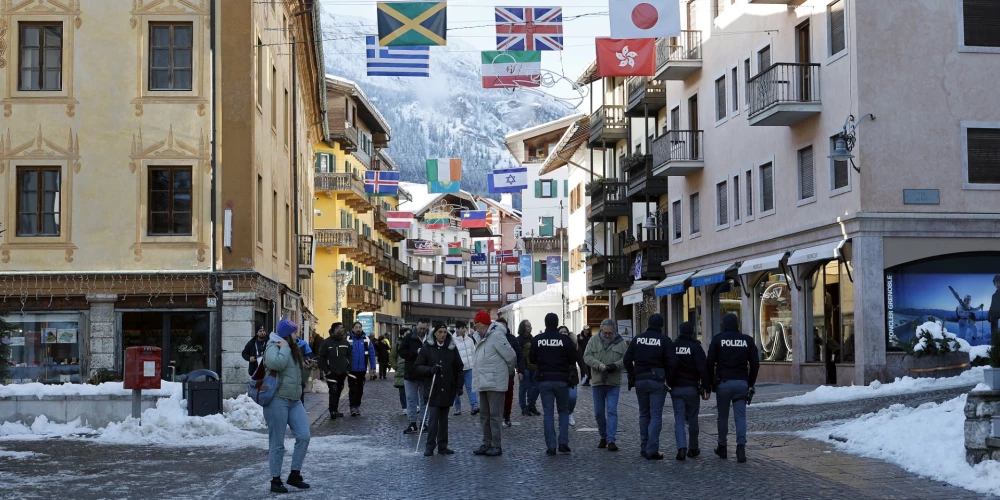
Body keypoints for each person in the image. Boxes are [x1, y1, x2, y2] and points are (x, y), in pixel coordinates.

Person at [262, 319, 310, 493]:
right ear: (287, 334)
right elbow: (277, 364)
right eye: (295, 332)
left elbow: (300, 379)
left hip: (294, 400)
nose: (297, 336)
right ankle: (275, 479)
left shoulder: (294, 349)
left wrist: (307, 369)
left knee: (304, 436)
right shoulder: (273, 347)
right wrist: (284, 347)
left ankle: (294, 474)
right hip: (277, 399)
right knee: (277, 442)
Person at [707, 313, 760, 463]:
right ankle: (741, 447)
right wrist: (750, 382)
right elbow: (755, 364)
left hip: (723, 383)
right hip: (741, 383)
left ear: (724, 324)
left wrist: (711, 383)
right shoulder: (747, 340)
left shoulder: (718, 340)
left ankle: (722, 446)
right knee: (740, 417)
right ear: (737, 323)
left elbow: (709, 363)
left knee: (722, 417)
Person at [624, 313, 677, 461]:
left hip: (640, 379)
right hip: (657, 380)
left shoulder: (638, 339)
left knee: (643, 413)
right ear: (661, 325)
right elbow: (672, 362)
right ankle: (652, 449)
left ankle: (644, 447)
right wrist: (669, 379)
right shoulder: (664, 340)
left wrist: (632, 374)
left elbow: (627, 359)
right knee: (655, 415)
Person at [530, 313, 577, 455]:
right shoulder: (564, 340)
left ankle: (551, 446)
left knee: (548, 413)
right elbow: (572, 359)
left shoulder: (538, 340)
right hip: (562, 380)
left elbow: (531, 359)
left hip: (544, 380)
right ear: (557, 323)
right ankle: (563, 443)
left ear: (545, 323)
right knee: (563, 411)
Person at [470, 310, 516, 457]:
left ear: (482, 323)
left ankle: (496, 445)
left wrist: (506, 373)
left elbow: (511, 356)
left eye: (476, 323)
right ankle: (487, 443)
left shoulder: (496, 336)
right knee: (484, 415)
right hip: (483, 382)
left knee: (495, 416)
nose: (474, 325)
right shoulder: (479, 337)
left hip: (495, 382)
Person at [414, 324, 465, 456]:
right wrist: (430, 370)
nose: (443, 334)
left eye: (445, 332)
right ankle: (430, 446)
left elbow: (459, 368)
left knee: (444, 419)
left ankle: (443, 446)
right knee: (433, 418)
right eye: (440, 332)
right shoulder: (427, 348)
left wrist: (459, 386)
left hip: (448, 388)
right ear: (434, 333)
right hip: (432, 388)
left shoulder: (451, 348)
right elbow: (417, 367)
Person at [584, 318, 628, 451]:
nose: (607, 335)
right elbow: (587, 356)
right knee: (598, 413)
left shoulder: (621, 343)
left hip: (613, 382)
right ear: (601, 330)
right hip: (597, 381)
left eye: (610, 333)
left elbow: (625, 359)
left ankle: (611, 440)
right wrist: (598, 365)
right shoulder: (593, 340)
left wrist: (615, 366)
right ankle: (603, 436)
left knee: (612, 411)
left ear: (614, 331)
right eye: (605, 333)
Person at [671, 321, 711, 461]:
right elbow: (703, 369)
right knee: (693, 418)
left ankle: (681, 448)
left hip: (676, 388)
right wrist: (707, 387)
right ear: (692, 332)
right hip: (692, 388)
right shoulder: (695, 347)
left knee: (679, 419)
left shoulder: (673, 346)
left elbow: (668, 366)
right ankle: (693, 448)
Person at [400, 322, 429, 434]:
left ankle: (423, 423)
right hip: (410, 374)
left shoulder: (430, 339)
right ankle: (412, 423)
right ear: (416, 327)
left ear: (427, 328)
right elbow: (402, 352)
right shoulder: (408, 338)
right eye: (420, 328)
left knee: (424, 400)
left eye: (424, 328)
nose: (422, 330)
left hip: (425, 374)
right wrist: (415, 353)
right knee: (411, 399)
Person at [317, 322, 350, 420]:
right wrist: (326, 371)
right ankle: (332, 411)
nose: (342, 329)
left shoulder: (345, 342)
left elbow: (350, 356)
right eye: (341, 328)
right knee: (333, 391)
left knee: (339, 390)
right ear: (335, 329)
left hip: (342, 372)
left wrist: (348, 368)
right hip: (331, 372)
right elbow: (321, 358)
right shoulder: (326, 343)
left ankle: (335, 409)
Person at [346, 322, 377, 416]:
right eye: (356, 327)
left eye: (360, 327)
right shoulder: (347, 339)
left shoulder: (366, 340)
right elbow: (344, 354)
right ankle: (353, 407)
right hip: (351, 369)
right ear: (353, 329)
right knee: (353, 389)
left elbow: (372, 354)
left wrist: (373, 367)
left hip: (362, 369)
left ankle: (357, 405)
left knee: (360, 389)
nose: (358, 329)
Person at [499, 318, 525, 427]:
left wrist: (520, 370)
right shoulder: (491, 338)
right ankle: (498, 416)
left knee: (508, 396)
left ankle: (507, 416)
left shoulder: (512, 339)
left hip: (509, 372)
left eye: (503, 326)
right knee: (497, 397)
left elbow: (519, 355)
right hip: (496, 372)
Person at [451, 321, 480, 416]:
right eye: (462, 328)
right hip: (458, 369)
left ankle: (474, 406)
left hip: (469, 367)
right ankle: (458, 408)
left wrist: (474, 363)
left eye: (465, 328)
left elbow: (474, 352)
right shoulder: (453, 340)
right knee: (457, 389)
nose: (464, 330)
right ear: (457, 329)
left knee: (471, 387)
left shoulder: (469, 340)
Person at [558, 325, 581, 426]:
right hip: (559, 374)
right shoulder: (556, 345)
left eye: (565, 332)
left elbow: (580, 358)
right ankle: (563, 416)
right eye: (561, 332)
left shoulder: (573, 344)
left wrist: (585, 372)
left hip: (572, 374)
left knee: (572, 397)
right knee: (561, 398)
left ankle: (569, 413)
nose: (563, 334)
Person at [517, 320, 541, 417]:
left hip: (534, 367)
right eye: (528, 326)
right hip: (524, 367)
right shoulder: (519, 339)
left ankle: (531, 405)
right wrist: (519, 370)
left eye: (530, 326)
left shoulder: (532, 338)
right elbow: (518, 356)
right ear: (523, 327)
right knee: (525, 387)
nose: (530, 328)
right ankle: (524, 407)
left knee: (536, 387)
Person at [390, 328, 410, 415]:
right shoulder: (397, 345)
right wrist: (395, 366)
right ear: (402, 335)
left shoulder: (413, 343)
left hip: (411, 370)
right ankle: (404, 407)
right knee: (402, 391)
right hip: (401, 370)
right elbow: (392, 357)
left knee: (412, 389)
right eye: (407, 334)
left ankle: (413, 406)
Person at [292, 329, 315, 403]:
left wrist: (304, 359)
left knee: (300, 391)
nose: (295, 335)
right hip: (290, 373)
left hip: (300, 371)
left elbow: (310, 356)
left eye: (295, 333)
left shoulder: (303, 344)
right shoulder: (284, 344)